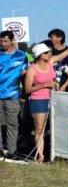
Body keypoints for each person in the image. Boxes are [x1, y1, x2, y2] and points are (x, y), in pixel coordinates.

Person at [23, 43, 56, 163]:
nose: (49, 54)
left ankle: (49, 153)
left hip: (52, 98)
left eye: (49, 52)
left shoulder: (50, 63)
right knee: (39, 128)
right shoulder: (32, 69)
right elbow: (27, 89)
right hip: (38, 100)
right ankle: (40, 155)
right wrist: (45, 85)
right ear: (39, 55)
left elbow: (67, 52)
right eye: (46, 52)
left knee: (50, 127)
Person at [0, 30, 28, 158]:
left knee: (12, 124)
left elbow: (25, 75)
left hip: (13, 96)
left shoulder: (21, 55)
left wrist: (24, 92)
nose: (3, 44)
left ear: (12, 41)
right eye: (1, 41)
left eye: (5, 41)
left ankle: (12, 151)